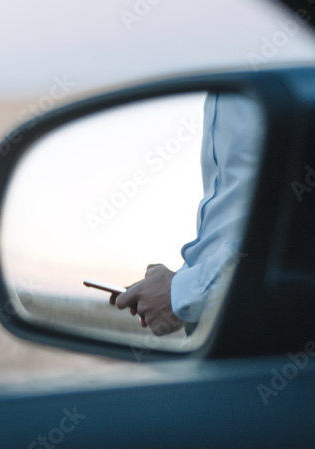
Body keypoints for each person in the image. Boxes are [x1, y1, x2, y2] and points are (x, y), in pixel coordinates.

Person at [113, 91, 265, 336]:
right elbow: (231, 225)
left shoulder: (293, 72)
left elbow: (291, 224)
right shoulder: (223, 87)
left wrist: (181, 293)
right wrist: (178, 282)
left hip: (266, 338)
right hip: (222, 333)